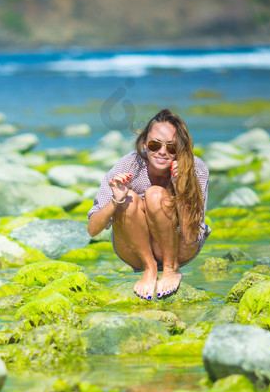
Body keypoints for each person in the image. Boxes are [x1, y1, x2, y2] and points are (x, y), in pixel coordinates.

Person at [87, 108, 210, 300]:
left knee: (154, 194)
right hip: (134, 250)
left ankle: (171, 269)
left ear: (181, 148)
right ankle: (150, 268)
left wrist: (180, 189)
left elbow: (191, 235)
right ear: (144, 144)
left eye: (171, 147)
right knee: (129, 199)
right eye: (155, 144)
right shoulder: (127, 165)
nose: (162, 152)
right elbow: (93, 229)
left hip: (180, 248)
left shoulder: (196, 169)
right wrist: (116, 200)